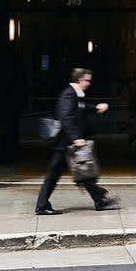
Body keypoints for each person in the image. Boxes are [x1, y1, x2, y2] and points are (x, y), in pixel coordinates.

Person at [35, 67, 117, 216]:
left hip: (69, 143)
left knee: (82, 171)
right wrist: (75, 138)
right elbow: (65, 117)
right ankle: (41, 206)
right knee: (59, 174)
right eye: (87, 80)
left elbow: (81, 108)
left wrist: (95, 107)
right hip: (66, 143)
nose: (89, 83)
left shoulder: (75, 95)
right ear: (80, 80)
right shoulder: (69, 94)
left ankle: (99, 200)